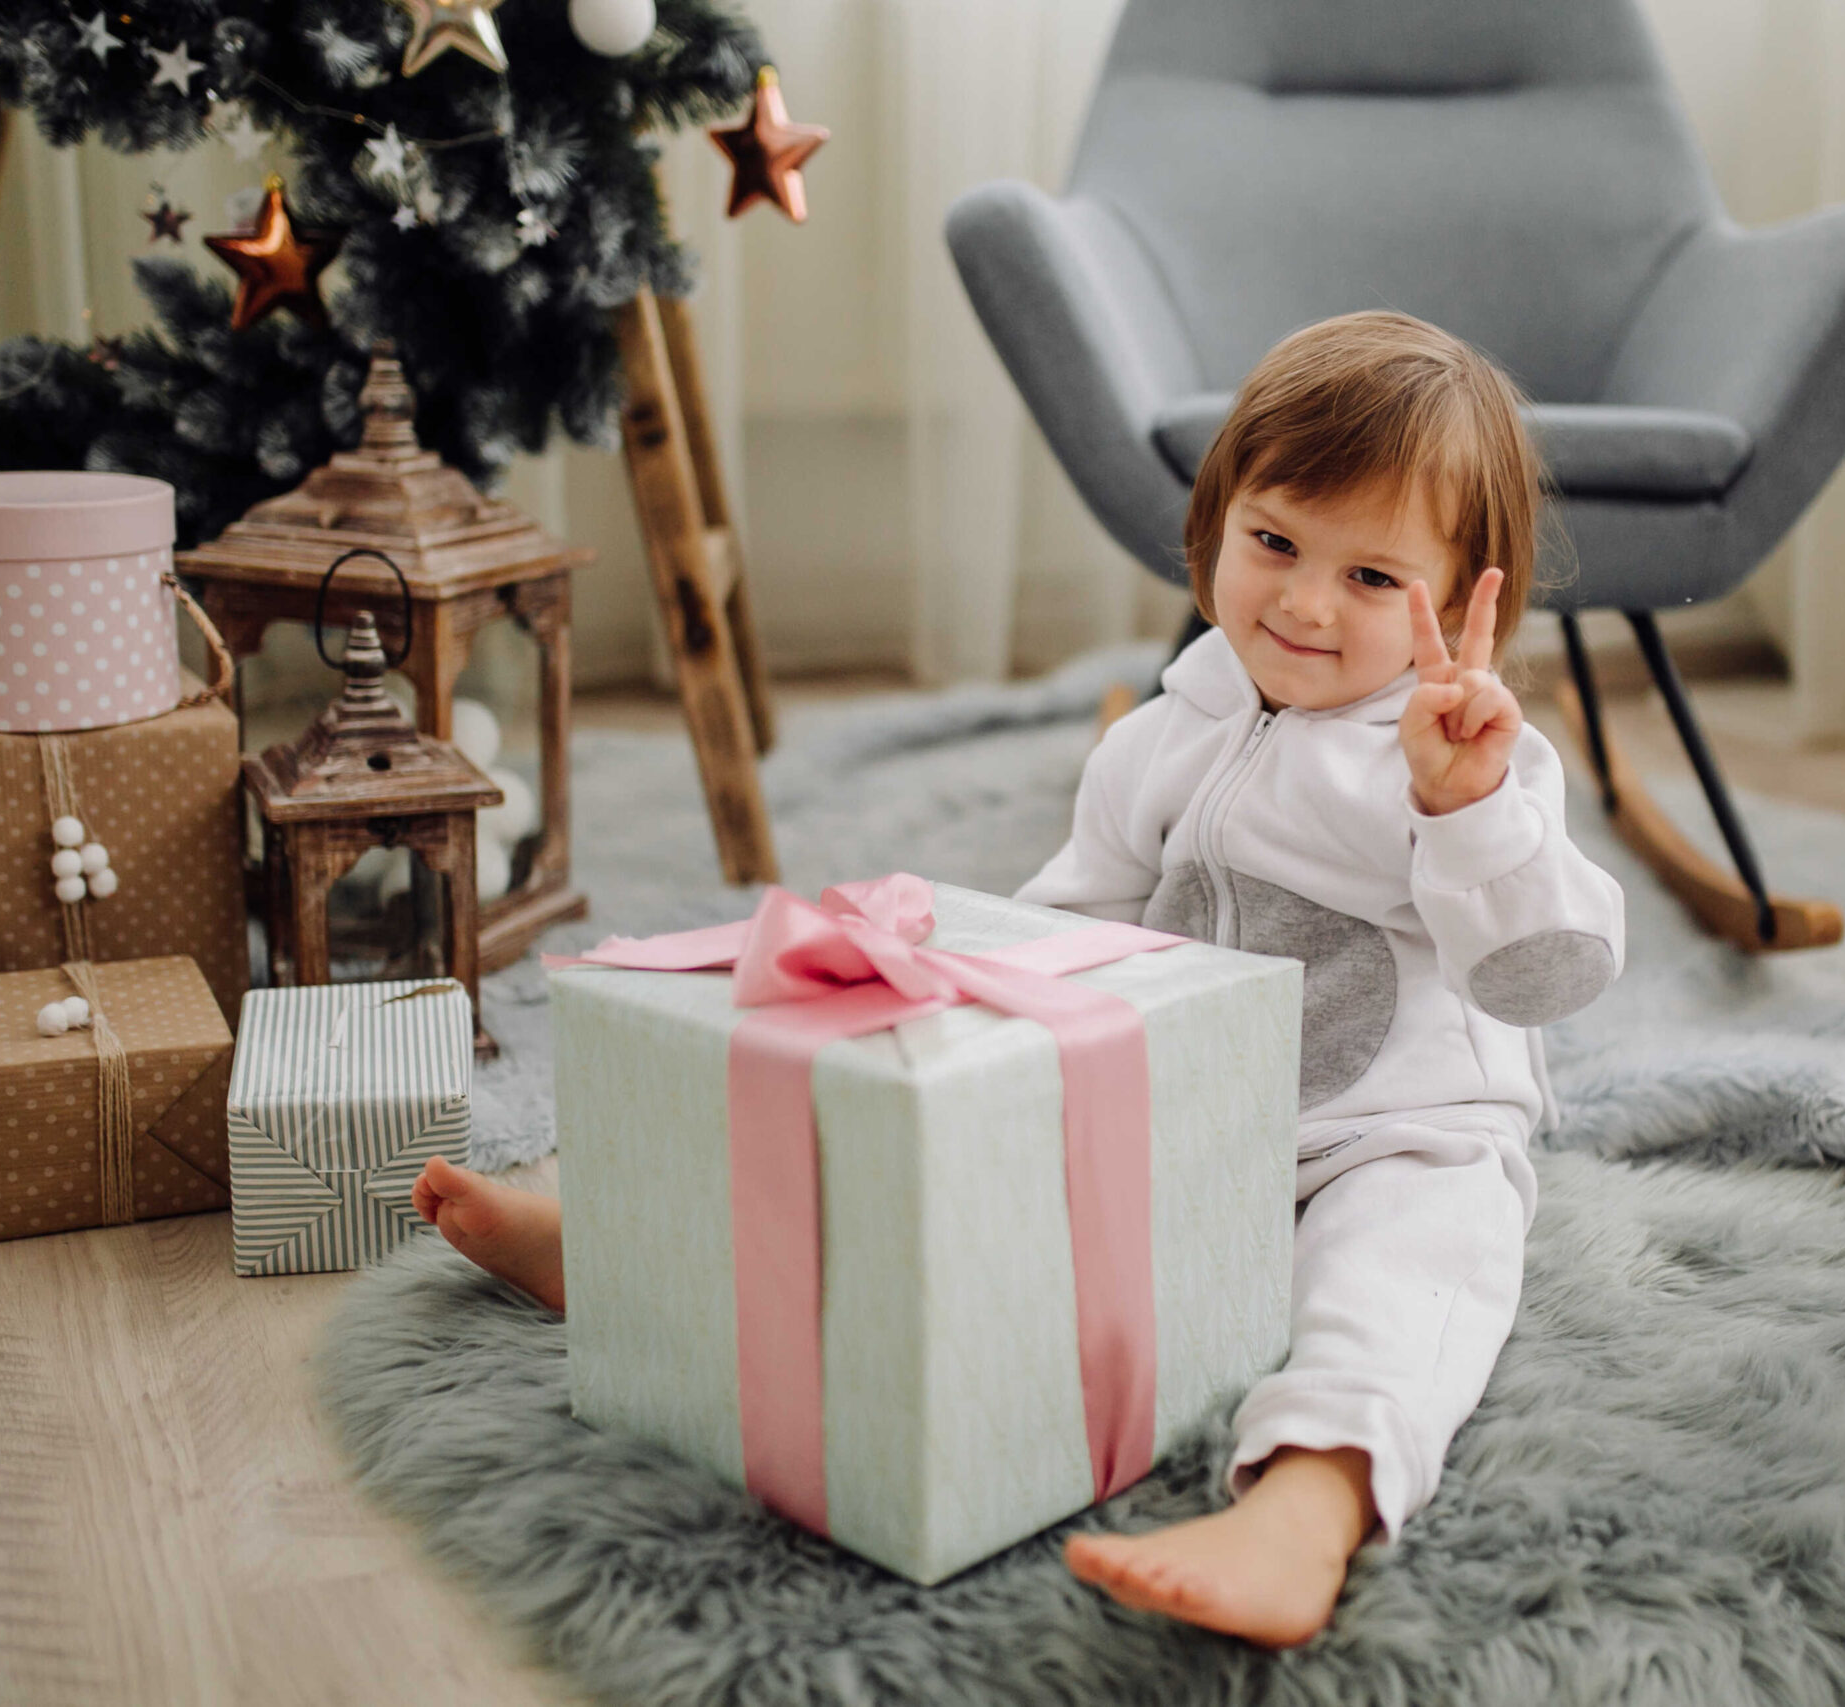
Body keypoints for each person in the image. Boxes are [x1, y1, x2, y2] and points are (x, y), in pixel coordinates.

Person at [412, 309, 1626, 1650]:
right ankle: (647, 1266)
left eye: (1373, 579)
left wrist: (1469, 810)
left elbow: (1543, 974)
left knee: (1405, 1276)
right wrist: (961, 1046)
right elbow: (1066, 934)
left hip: (1394, 1131)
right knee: (946, 1189)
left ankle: (1307, 1508)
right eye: (1275, 541)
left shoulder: (1463, 761)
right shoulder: (1160, 739)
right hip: (1178, 1109)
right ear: (1211, 527)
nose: (1301, 602)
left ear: (1460, 606)